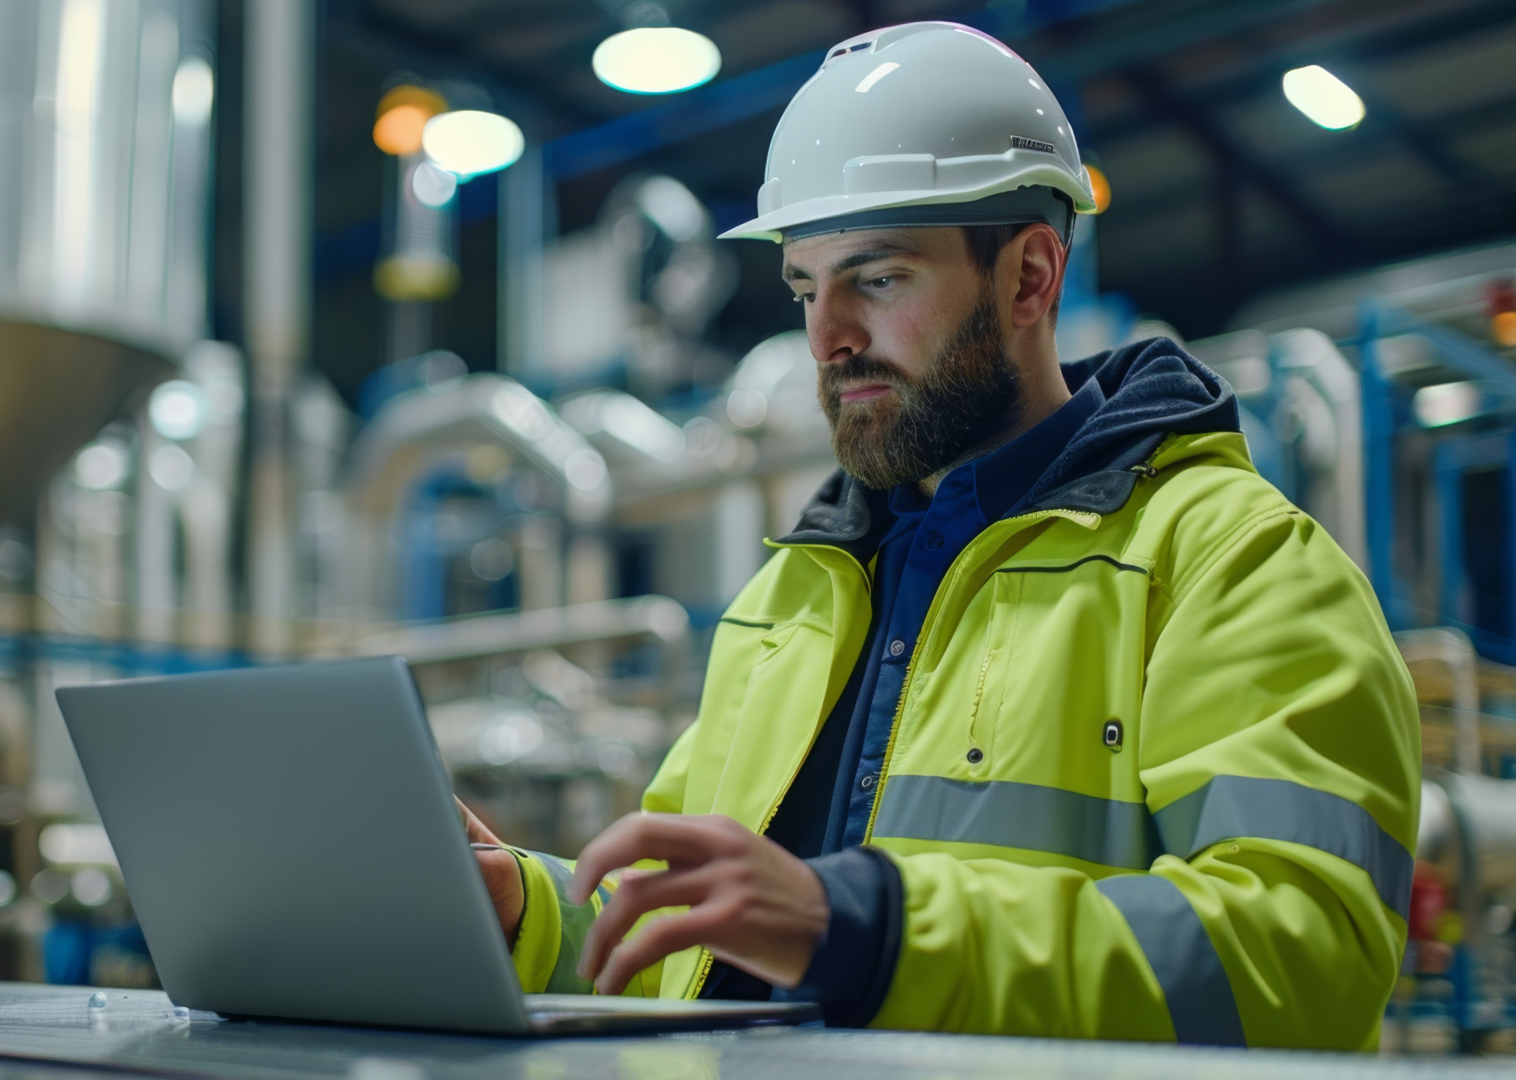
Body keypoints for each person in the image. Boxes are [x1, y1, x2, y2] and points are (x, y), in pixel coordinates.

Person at [458, 21, 1420, 1049]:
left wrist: (873, 933)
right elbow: (690, 932)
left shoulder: (1231, 565)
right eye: (804, 288)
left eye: (876, 278)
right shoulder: (792, 600)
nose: (828, 337)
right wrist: (522, 906)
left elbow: (1305, 957)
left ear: (1030, 278)